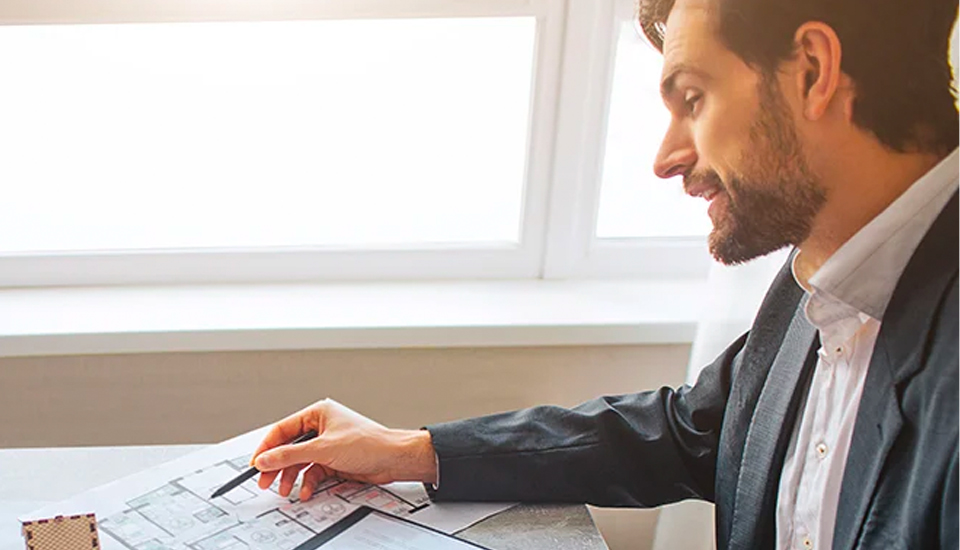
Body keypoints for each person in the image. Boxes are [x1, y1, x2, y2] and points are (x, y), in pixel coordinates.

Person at [247, 0, 959, 547]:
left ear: (812, 70)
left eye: (692, 99)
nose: (666, 157)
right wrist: (412, 451)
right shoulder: (819, 282)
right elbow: (689, 432)